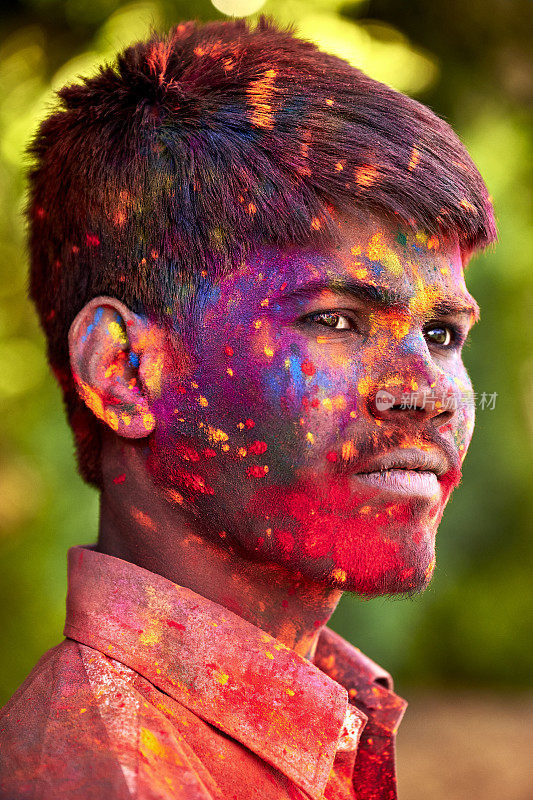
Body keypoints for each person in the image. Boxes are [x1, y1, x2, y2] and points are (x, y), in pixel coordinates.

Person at [0, 15, 496, 800]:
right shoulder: (98, 776)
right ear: (124, 371)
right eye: (337, 320)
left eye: (441, 332)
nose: (425, 392)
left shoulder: (301, 724)